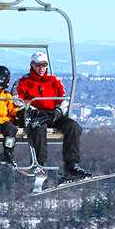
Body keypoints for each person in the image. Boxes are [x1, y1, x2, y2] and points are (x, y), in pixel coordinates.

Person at [14, 51, 92, 183]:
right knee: (38, 128)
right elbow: (16, 100)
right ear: (32, 65)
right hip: (35, 117)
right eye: (38, 65)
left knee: (73, 127)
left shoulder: (53, 81)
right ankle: (39, 165)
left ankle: (71, 165)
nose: (41, 68)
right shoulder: (23, 82)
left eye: (44, 65)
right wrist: (32, 110)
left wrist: (58, 110)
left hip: (51, 115)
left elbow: (63, 99)